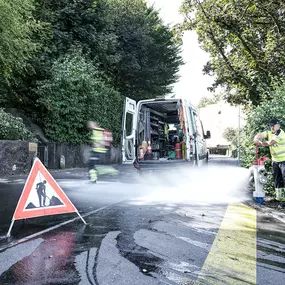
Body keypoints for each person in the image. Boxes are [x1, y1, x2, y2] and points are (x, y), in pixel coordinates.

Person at [254, 119, 285, 201]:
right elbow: (260, 135)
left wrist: (260, 143)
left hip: (283, 160)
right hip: (275, 161)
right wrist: (256, 138)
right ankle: (280, 199)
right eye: (276, 125)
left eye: (278, 125)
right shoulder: (269, 132)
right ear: (272, 127)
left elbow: (270, 143)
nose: (279, 127)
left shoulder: (280, 133)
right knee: (277, 180)